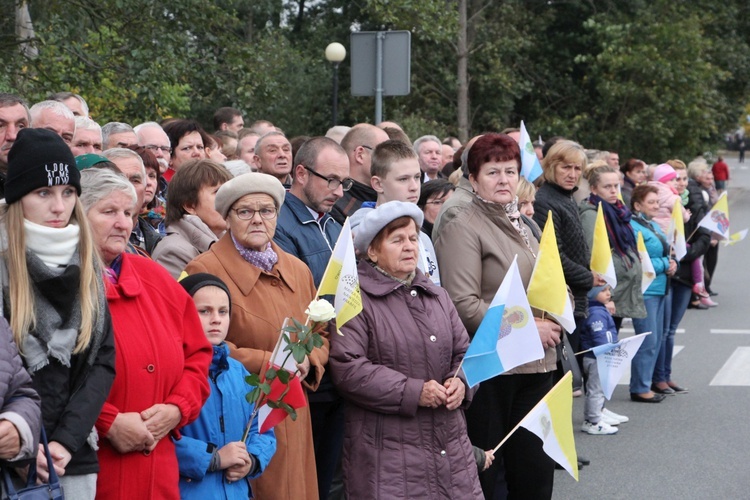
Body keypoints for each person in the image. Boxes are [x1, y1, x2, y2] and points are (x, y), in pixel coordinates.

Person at [184, 172, 327, 500]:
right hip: (239, 412)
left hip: (293, 408)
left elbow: (320, 330)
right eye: (245, 211)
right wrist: (271, 363)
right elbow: (202, 343)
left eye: (267, 211)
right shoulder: (203, 269)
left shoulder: (297, 268)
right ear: (227, 217)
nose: (258, 219)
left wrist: (308, 358)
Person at [434, 133, 561, 498]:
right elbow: (462, 304)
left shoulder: (520, 219)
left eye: (510, 171)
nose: (504, 179)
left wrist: (560, 304)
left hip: (537, 364)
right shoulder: (462, 220)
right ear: (473, 179)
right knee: (490, 476)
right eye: (493, 172)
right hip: (493, 369)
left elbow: (545, 278)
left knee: (535, 474)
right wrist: (528, 328)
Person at [329, 201, 483, 499]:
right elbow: (349, 368)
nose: (409, 247)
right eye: (397, 240)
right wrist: (415, 392)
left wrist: (461, 382)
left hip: (450, 447)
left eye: (413, 238)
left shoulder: (437, 295)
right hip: (388, 452)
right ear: (372, 251)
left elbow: (465, 351)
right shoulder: (354, 299)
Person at [80, 168, 212, 499]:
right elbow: (49, 376)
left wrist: (177, 409)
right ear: (78, 215)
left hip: (160, 474)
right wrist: (106, 423)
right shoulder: (59, 283)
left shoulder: (154, 277)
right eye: (109, 212)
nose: (123, 223)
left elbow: (198, 354)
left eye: (128, 213)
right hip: (93, 472)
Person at [1, 128, 115, 498]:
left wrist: (65, 441)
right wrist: (22, 444)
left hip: (73, 455)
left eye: (68, 192)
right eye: (44, 193)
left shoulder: (88, 266)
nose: (58, 206)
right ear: (19, 198)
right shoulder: (3, 265)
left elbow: (102, 360)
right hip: (12, 458)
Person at [272, 137, 350, 498]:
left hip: (338, 367)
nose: (338, 190)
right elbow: (296, 297)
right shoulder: (280, 223)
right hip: (306, 370)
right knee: (306, 481)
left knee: (331, 477)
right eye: (330, 180)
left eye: (344, 182)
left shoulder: (335, 224)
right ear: (300, 173)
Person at [176, 273, 276, 499]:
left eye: (223, 311)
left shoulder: (238, 371)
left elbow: (261, 426)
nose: (216, 319)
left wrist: (251, 460)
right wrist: (213, 458)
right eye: (204, 311)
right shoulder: (171, 370)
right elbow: (159, 438)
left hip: (236, 491)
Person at [534, 140, 604, 353]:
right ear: (551, 166)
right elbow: (552, 256)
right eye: (566, 167)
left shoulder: (566, 197)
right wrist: (586, 277)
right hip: (560, 300)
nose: (572, 174)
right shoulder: (545, 200)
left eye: (577, 169)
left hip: (574, 297)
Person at [578, 164, 646, 335]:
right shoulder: (591, 214)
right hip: (607, 294)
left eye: (616, 186)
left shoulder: (618, 210)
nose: (614, 191)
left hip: (620, 290)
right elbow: (594, 259)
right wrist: (603, 294)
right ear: (594, 189)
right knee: (603, 343)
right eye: (607, 187)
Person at [628, 184, 676, 403]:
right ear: (637, 205)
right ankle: (639, 387)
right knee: (648, 340)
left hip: (660, 288)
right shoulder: (633, 226)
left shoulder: (650, 224)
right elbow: (640, 260)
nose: (656, 206)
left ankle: (646, 382)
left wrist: (671, 262)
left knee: (656, 339)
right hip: (646, 289)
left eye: (658, 202)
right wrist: (667, 262)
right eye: (651, 202)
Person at [370, 140, 441, 285]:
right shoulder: (366, 234)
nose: (414, 187)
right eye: (403, 179)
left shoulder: (424, 237)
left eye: (417, 177)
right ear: (378, 184)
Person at [152, 159, 232, 279]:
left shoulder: (232, 242)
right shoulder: (173, 252)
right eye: (218, 192)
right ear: (190, 205)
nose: (229, 200)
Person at [580, 285, 625, 435]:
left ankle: (596, 414)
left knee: (597, 388)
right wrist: (607, 350)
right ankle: (593, 421)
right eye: (603, 291)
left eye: (608, 290)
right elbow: (599, 336)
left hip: (597, 356)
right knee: (596, 390)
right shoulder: (596, 313)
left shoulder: (598, 310)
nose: (608, 293)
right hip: (597, 357)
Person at [330, 124, 390, 224]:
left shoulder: (386, 198)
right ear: (360, 155)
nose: (392, 161)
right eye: (385, 154)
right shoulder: (335, 205)